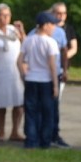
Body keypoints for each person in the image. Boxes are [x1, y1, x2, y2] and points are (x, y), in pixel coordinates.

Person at [18, 12, 60, 149]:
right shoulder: (50, 42)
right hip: (46, 80)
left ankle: (31, 140)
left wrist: (23, 75)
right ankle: (45, 141)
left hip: (31, 79)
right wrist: (55, 84)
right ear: (46, 25)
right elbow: (52, 65)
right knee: (47, 112)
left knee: (31, 111)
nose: (54, 27)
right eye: (52, 24)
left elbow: (19, 60)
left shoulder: (28, 40)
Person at [0, 4, 25, 141]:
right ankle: (1, 131)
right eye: (3, 15)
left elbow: (25, 44)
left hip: (15, 70)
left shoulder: (13, 30)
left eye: (8, 15)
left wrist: (22, 31)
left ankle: (15, 131)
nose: (7, 18)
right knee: (0, 103)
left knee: (19, 102)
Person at [50, 2, 75, 147]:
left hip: (59, 70)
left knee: (55, 102)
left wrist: (62, 59)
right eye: (58, 13)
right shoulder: (44, 28)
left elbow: (72, 49)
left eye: (63, 13)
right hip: (47, 72)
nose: (61, 16)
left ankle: (54, 134)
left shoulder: (67, 30)